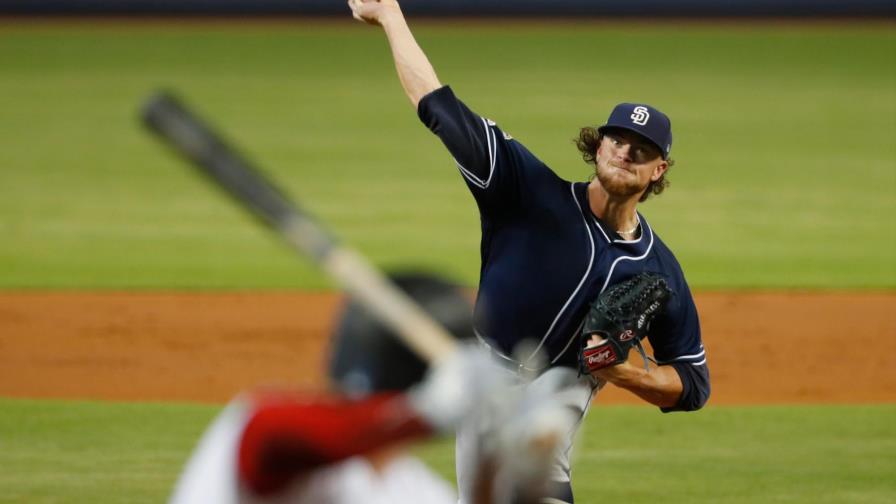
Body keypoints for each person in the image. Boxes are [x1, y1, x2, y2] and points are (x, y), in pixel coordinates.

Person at [347, 2, 711, 503]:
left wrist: (629, 373)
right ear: (598, 146)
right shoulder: (526, 189)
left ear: (659, 170)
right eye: (617, 140)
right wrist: (390, 16)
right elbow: (437, 105)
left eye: (641, 149)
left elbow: (692, 382)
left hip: (557, 401)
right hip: (483, 386)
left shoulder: (659, 269)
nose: (625, 152)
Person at [168, 272, 580, 504]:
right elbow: (272, 436)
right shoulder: (266, 428)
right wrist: (424, 414)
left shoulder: (412, 491)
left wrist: (516, 482)